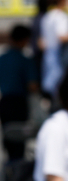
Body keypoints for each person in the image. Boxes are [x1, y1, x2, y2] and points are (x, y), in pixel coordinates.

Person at [0, 24, 38, 160]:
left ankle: (9, 173)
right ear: (25, 39)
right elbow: (32, 86)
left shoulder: (2, 59)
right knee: (20, 140)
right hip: (19, 105)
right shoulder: (25, 60)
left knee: (9, 139)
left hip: (4, 103)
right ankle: (18, 174)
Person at [40, 0, 68, 99]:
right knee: (59, 84)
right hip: (59, 54)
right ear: (62, 1)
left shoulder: (47, 16)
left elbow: (43, 39)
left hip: (48, 52)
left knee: (49, 83)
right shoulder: (61, 16)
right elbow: (61, 36)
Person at [31, 0, 50, 85]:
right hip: (42, 55)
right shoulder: (44, 18)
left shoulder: (36, 18)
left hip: (37, 54)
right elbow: (40, 40)